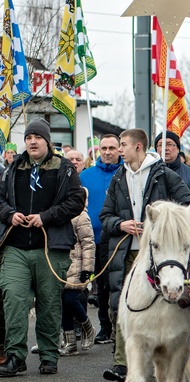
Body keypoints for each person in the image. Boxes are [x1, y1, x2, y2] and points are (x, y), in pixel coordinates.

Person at [100, 128, 190, 382]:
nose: (120, 149)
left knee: (165, 302)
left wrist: (162, 221)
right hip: (127, 251)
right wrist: (122, 224)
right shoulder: (119, 177)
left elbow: (187, 205)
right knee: (122, 301)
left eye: (123, 144)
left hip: (161, 254)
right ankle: (123, 363)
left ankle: (167, 357)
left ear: (138, 147)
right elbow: (105, 216)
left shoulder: (163, 173)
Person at [0, 118, 86, 376]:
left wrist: (45, 217)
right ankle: (15, 355)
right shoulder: (12, 168)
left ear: (47, 141)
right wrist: (9, 214)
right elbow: (0, 199)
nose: (32, 141)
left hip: (51, 248)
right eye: (28, 138)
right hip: (15, 246)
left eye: (37, 137)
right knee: (14, 299)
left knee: (49, 303)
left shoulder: (65, 168)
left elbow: (76, 201)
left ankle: (49, 355)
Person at [79, 134, 122, 344]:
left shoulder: (124, 174)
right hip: (88, 240)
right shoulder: (85, 176)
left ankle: (111, 327)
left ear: (119, 150)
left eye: (112, 148)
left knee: (108, 285)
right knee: (89, 285)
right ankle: (98, 326)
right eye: (103, 148)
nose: (107, 152)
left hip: (114, 239)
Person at [59, 188, 96, 356]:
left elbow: (88, 243)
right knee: (62, 303)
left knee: (70, 299)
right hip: (62, 265)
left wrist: (87, 270)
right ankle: (70, 342)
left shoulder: (81, 217)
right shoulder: (61, 213)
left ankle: (87, 326)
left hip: (77, 266)